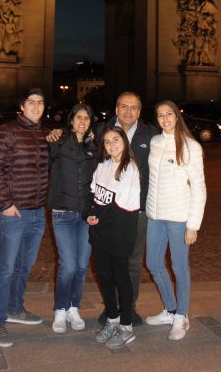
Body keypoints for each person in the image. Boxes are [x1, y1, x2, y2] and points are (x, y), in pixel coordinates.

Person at [0, 87, 49, 348]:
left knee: (24, 265)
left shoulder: (44, 134)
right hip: (14, 213)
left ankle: (15, 308)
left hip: (37, 212)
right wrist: (5, 204)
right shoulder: (7, 131)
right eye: (31, 102)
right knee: (6, 268)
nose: (36, 106)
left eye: (41, 102)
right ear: (22, 106)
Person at [145, 100, 206, 340]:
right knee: (153, 263)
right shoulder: (155, 141)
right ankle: (170, 309)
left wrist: (193, 224)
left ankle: (182, 316)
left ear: (177, 115)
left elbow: (199, 188)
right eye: (160, 115)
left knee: (179, 267)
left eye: (168, 114)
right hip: (155, 215)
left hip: (179, 216)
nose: (164, 119)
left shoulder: (190, 146)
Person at [96, 91, 157, 325]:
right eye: (124, 106)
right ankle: (111, 306)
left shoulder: (152, 135)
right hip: (107, 209)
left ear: (140, 112)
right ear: (116, 109)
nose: (128, 112)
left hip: (137, 211)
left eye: (134, 108)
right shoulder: (100, 131)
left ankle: (128, 307)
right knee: (109, 261)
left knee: (132, 261)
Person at [86, 126, 140, 349]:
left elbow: (119, 205)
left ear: (124, 141)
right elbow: (94, 194)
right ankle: (112, 318)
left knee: (121, 278)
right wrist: (88, 214)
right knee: (104, 277)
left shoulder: (129, 168)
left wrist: (95, 216)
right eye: (107, 142)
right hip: (99, 233)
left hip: (119, 233)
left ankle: (126, 326)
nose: (111, 145)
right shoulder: (103, 166)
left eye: (115, 139)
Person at [48, 103, 97, 333]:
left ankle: (73, 308)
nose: (82, 121)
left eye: (86, 118)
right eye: (78, 117)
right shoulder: (57, 142)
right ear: (71, 120)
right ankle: (60, 309)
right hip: (63, 213)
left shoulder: (94, 147)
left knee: (81, 265)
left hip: (85, 215)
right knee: (67, 265)